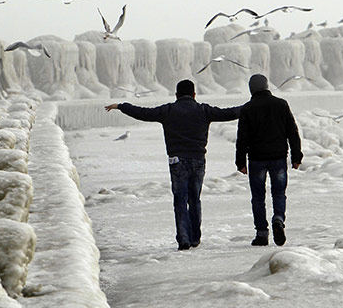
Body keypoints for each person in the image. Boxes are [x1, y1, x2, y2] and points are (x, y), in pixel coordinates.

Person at [105, 79, 241, 251]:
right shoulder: (203, 110)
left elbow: (143, 113)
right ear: (194, 95)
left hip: (177, 161)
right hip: (198, 160)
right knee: (195, 199)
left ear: (176, 95)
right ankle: (195, 237)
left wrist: (121, 106)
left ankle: (184, 238)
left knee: (180, 200)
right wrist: (252, 105)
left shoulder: (168, 110)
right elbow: (229, 113)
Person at [235, 74, 302, 246]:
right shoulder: (281, 104)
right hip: (278, 157)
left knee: (258, 197)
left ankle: (262, 234)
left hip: (256, 159)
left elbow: (242, 138)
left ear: (251, 89)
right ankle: (278, 218)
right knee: (279, 193)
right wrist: (296, 156)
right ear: (266, 86)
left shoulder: (248, 109)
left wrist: (240, 162)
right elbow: (292, 132)